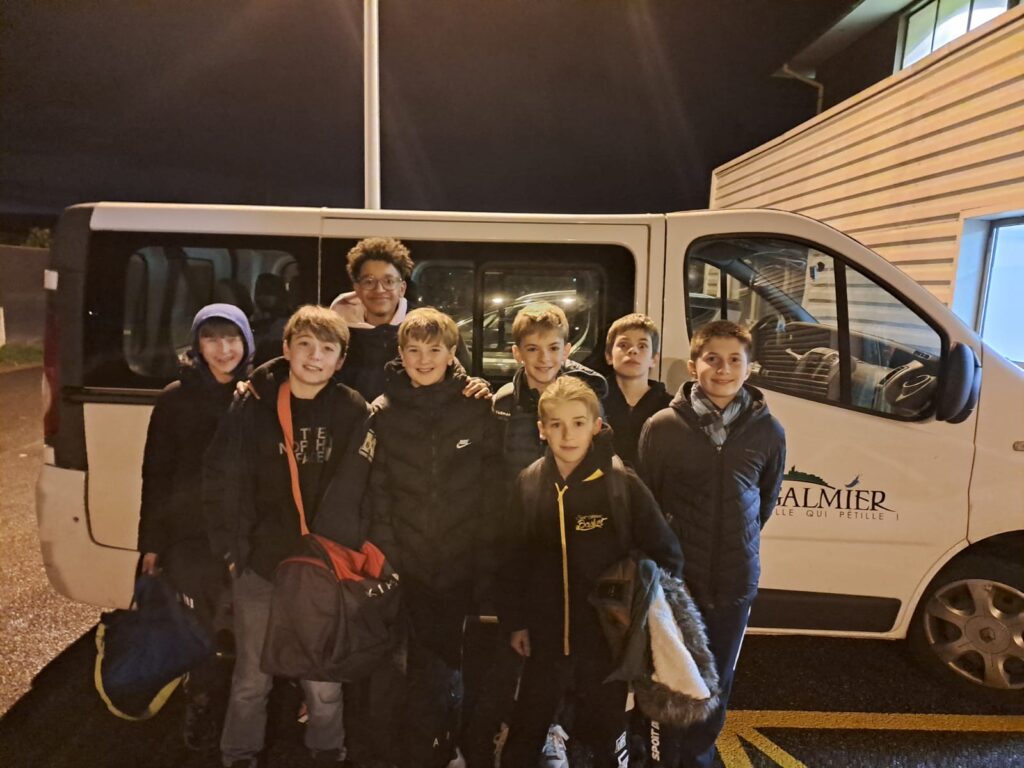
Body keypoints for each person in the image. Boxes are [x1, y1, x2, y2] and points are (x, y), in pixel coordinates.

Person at [203, 305, 371, 768]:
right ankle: (239, 754)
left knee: (323, 677)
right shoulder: (252, 405)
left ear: (340, 360)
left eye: (327, 349)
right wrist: (231, 550)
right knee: (251, 676)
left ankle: (326, 750)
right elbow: (219, 477)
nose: (315, 357)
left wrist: (351, 556)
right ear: (286, 349)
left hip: (322, 569)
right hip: (261, 565)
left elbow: (366, 488)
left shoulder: (351, 409)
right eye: (305, 345)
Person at [498, 376, 683, 768]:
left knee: (606, 733)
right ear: (542, 429)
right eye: (557, 424)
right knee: (526, 731)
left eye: (578, 423)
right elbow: (512, 561)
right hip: (545, 640)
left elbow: (667, 554)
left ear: (596, 425)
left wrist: (642, 617)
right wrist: (516, 622)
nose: (568, 435)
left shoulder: (620, 484)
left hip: (606, 642)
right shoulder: (529, 484)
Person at [638, 320, 786, 768]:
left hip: (735, 581)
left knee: (717, 679)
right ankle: (662, 758)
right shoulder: (663, 427)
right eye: (712, 359)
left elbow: (764, 502)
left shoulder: (768, 431)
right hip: (678, 584)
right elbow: (648, 503)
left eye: (734, 360)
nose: (723, 370)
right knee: (670, 675)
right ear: (693, 366)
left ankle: (698, 757)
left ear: (749, 368)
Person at [363, 307, 502, 768]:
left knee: (466, 663)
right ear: (400, 354)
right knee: (412, 667)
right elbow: (377, 491)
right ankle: (421, 749)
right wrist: (391, 558)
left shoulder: (476, 406)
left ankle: (460, 743)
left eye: (434, 350)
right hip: (407, 565)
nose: (424, 360)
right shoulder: (382, 412)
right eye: (414, 350)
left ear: (452, 353)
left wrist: (484, 556)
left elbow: (490, 488)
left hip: (464, 562)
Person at [137, 303, 254, 752]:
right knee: (198, 626)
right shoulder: (174, 399)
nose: (223, 349)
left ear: (246, 343)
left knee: (250, 624)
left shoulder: (258, 395)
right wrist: (152, 544)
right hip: (190, 535)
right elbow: (156, 475)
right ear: (197, 345)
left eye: (232, 338)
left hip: (245, 533)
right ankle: (202, 700)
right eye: (211, 338)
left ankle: (249, 709)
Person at [330, 237, 479, 403]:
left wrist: (479, 385)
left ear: (402, 288)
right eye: (369, 281)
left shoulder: (435, 328)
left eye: (388, 281)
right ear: (357, 288)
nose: (379, 289)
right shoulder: (335, 334)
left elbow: (462, 381)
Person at [492, 302, 607, 489]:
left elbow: (602, 461)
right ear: (517, 353)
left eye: (553, 348)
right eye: (532, 349)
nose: (544, 358)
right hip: (519, 503)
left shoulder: (586, 400)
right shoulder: (503, 404)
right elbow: (493, 470)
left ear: (566, 351)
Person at [602, 313, 672, 467]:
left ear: (654, 359)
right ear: (608, 356)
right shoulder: (593, 402)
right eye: (623, 345)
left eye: (642, 346)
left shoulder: (670, 408)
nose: (633, 351)